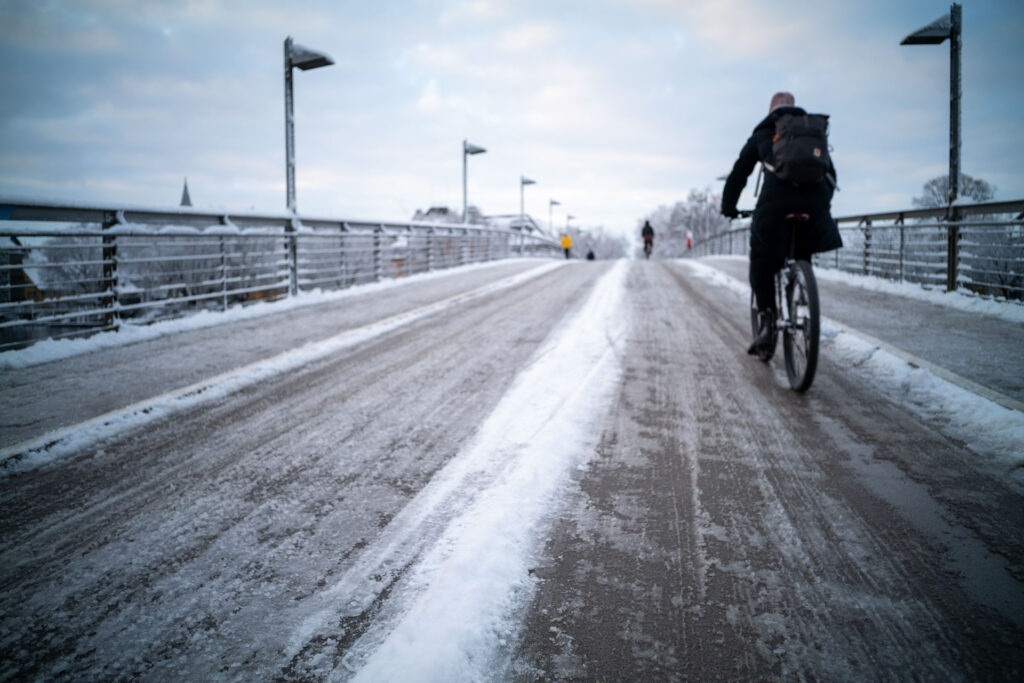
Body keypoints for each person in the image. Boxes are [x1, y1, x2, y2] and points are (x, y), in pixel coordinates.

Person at [721, 91, 842, 355]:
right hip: (814, 205)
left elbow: (739, 174)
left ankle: (767, 322)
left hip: (775, 205)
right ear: (794, 108)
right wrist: (820, 204)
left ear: (771, 110)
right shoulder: (811, 131)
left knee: (762, 258)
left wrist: (728, 208)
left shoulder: (764, 131)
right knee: (802, 247)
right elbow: (830, 175)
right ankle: (801, 289)